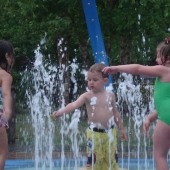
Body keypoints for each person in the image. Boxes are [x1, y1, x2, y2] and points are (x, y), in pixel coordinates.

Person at [102, 37, 170, 170]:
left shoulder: (164, 70)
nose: (156, 60)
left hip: (166, 119)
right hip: (166, 114)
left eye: (158, 56)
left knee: (160, 155)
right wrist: (150, 118)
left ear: (167, 59)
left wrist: (116, 68)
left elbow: (138, 69)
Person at [52, 63, 126, 170]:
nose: (91, 82)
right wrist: (61, 112)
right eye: (89, 79)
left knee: (112, 161)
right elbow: (73, 105)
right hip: (94, 134)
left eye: (95, 80)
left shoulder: (111, 95)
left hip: (110, 133)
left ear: (105, 81)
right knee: (94, 162)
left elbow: (115, 113)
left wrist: (121, 129)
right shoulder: (87, 96)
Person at [0, 40, 15, 170]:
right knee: (2, 152)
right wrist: (8, 110)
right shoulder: (5, 75)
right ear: (6, 56)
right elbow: (5, 94)